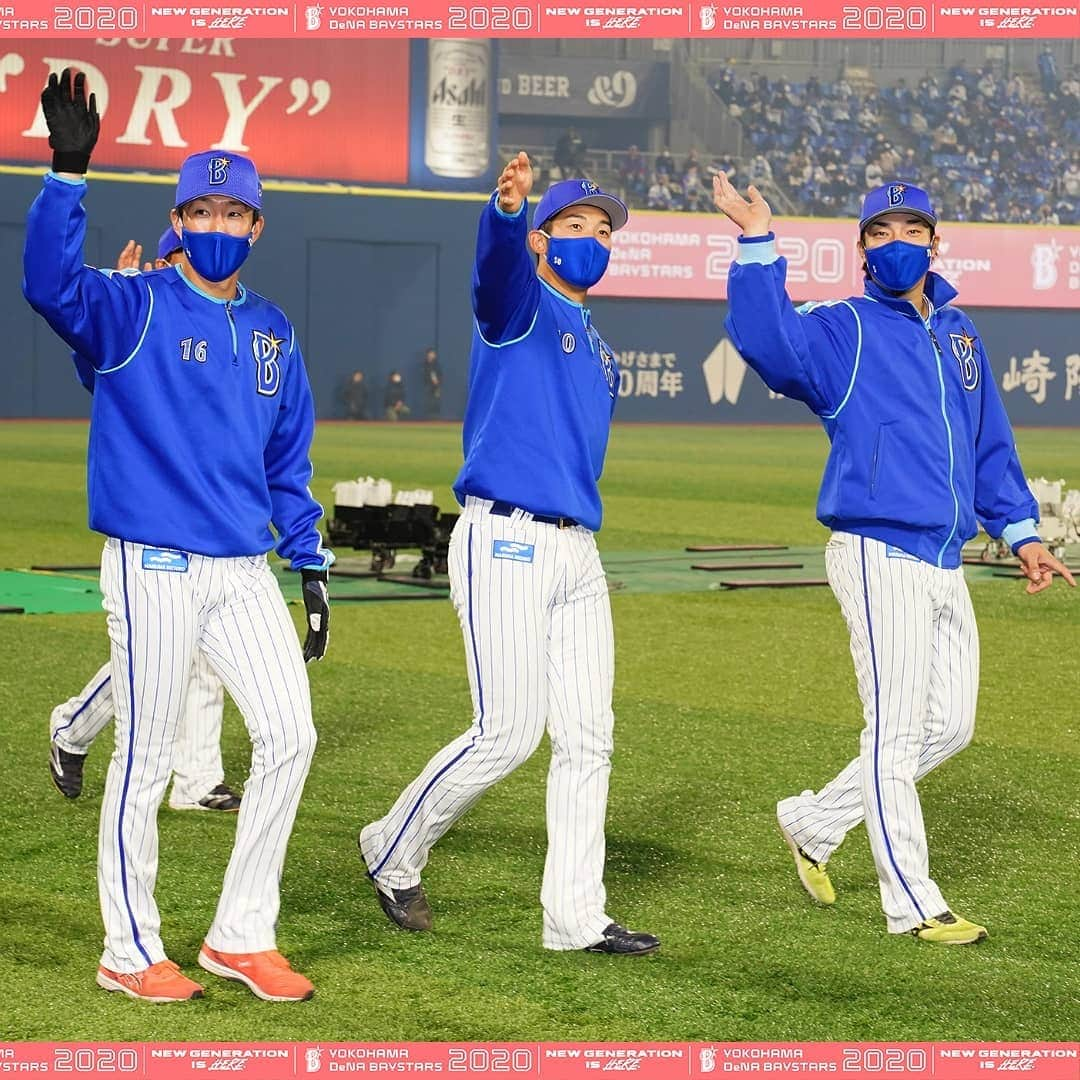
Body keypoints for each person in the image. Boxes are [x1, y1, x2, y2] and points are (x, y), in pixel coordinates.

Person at [24, 69, 332, 1003]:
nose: (216, 225)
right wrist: (67, 172)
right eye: (199, 208)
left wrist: (310, 561)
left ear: (256, 227)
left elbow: (287, 458)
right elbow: (47, 284)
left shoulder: (273, 331)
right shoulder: (132, 303)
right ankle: (130, 952)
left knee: (289, 735)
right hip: (153, 558)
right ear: (179, 215)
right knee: (149, 754)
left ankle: (241, 934)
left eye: (232, 213)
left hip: (243, 567)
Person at [713, 173, 1075, 945]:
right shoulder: (842, 326)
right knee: (894, 731)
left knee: (949, 727)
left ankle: (812, 823)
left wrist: (1022, 532)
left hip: (945, 558)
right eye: (882, 233)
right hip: (877, 549)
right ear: (862, 250)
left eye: (913, 232)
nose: (899, 245)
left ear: (936, 243)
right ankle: (913, 902)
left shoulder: (960, 331)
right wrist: (755, 243)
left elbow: (989, 445)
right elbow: (770, 343)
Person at [358, 155, 660, 957]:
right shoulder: (518, 306)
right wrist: (502, 215)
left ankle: (574, 917)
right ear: (540, 241)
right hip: (506, 538)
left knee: (590, 737)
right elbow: (492, 276)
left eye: (602, 231)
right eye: (573, 227)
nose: (591, 240)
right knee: (508, 732)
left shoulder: (603, 352)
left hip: (576, 552)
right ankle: (391, 846)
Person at [50, 231, 242, 815]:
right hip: (153, 519)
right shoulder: (146, 311)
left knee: (201, 659)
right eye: (182, 257)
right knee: (158, 661)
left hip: (212, 519)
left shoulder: (230, 319)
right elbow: (99, 376)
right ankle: (73, 728)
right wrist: (117, 305)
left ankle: (197, 780)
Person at [419, 347, 443, 419]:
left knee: (436, 402)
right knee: (427, 402)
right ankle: (426, 418)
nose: (432, 355)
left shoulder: (436, 364)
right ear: (427, 354)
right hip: (427, 386)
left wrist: (437, 381)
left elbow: (440, 374)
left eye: (433, 354)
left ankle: (436, 418)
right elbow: (423, 374)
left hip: (436, 386)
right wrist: (430, 379)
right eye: (430, 353)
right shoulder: (425, 364)